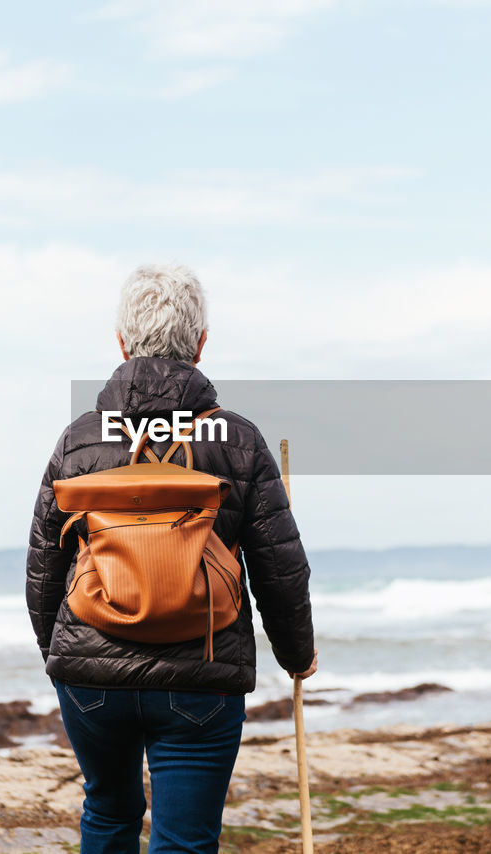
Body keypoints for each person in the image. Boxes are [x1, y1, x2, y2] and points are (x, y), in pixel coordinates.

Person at [26, 262, 317, 854]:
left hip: (89, 673)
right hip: (200, 673)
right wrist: (297, 652)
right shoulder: (236, 440)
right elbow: (278, 564)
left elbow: (43, 566)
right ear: (201, 344)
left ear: (122, 341)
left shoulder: (81, 438)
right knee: (184, 840)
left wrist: (60, 650)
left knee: (107, 813)